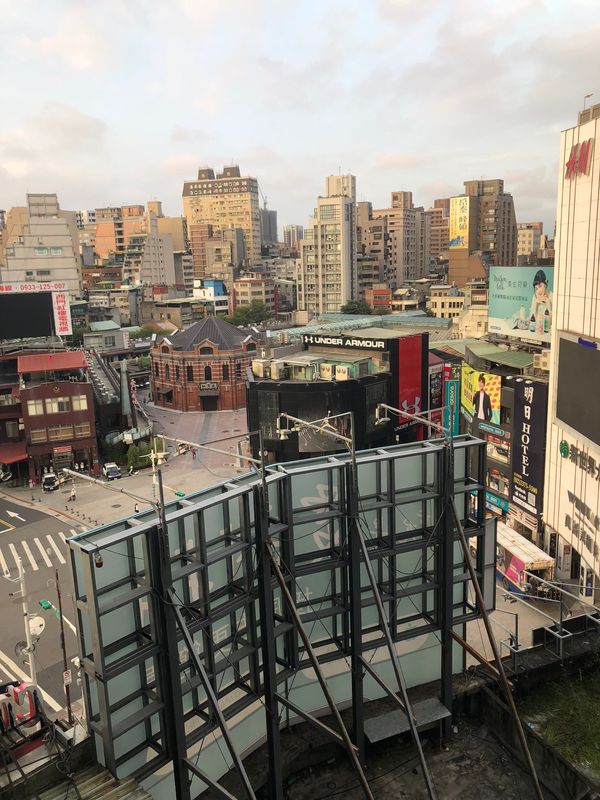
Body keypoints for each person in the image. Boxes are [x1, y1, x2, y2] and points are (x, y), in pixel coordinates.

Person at [529, 269, 553, 334]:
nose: (538, 290)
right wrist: (535, 304)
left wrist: (548, 304)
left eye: (540, 286)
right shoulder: (535, 297)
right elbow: (530, 321)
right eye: (536, 288)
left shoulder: (551, 296)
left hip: (548, 333)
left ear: (545, 284)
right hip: (536, 331)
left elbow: (552, 324)